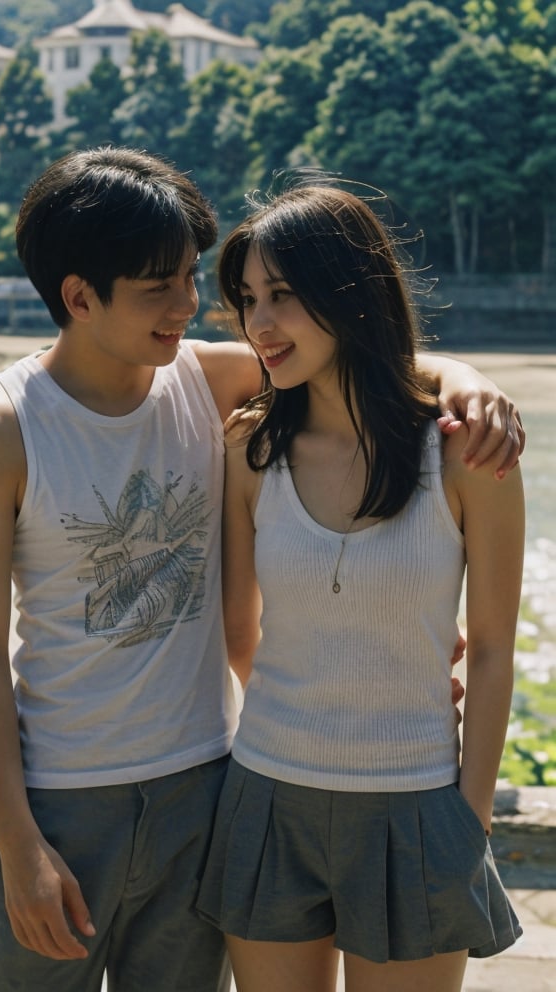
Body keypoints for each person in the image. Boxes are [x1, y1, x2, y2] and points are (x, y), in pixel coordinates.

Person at [0, 147, 523, 992]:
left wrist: (466, 380)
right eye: (160, 288)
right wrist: (18, 839)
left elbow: (352, 352)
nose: (197, 309)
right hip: (65, 803)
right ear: (78, 296)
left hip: (205, 789)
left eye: (191, 280)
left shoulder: (202, 375)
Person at [196, 178, 525, 992]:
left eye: (282, 294)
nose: (260, 324)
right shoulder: (248, 450)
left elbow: (490, 656)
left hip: (417, 803)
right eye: (246, 299)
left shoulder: (464, 454)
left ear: (350, 291)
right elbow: (239, 635)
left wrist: (468, 821)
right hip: (268, 796)